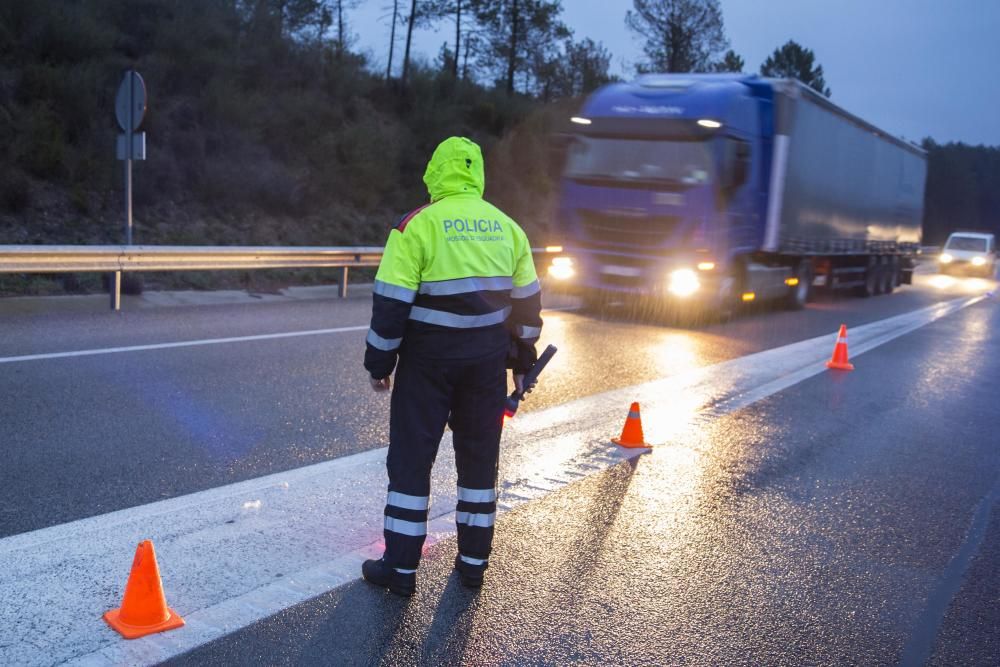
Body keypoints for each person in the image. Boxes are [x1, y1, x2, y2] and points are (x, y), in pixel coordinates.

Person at [361, 136, 543, 596]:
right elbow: (527, 308)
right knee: (480, 462)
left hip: (427, 364)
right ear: (476, 174)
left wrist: (380, 362)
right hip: (485, 367)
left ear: (435, 173)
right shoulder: (508, 228)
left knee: (411, 462)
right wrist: (522, 361)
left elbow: (391, 304)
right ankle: (473, 564)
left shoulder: (416, 226)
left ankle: (400, 569)